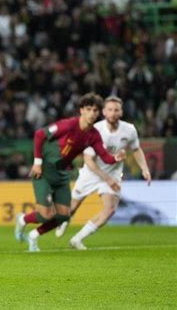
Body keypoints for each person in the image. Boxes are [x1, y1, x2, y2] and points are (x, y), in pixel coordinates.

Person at [14, 92, 126, 252]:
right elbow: (40, 135)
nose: (92, 113)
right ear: (81, 110)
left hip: (61, 174)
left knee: (64, 215)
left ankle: (33, 236)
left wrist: (116, 158)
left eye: (95, 110)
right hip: (44, 170)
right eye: (89, 109)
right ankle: (23, 219)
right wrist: (37, 162)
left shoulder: (93, 135)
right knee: (45, 214)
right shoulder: (68, 125)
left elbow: (105, 157)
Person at [55, 96, 151, 249]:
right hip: (91, 173)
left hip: (112, 174)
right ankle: (65, 220)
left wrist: (144, 169)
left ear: (121, 112)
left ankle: (77, 239)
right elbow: (89, 160)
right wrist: (106, 179)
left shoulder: (129, 130)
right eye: (110, 110)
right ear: (104, 112)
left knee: (110, 209)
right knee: (71, 209)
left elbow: (136, 149)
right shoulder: (95, 130)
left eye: (116, 110)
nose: (113, 113)